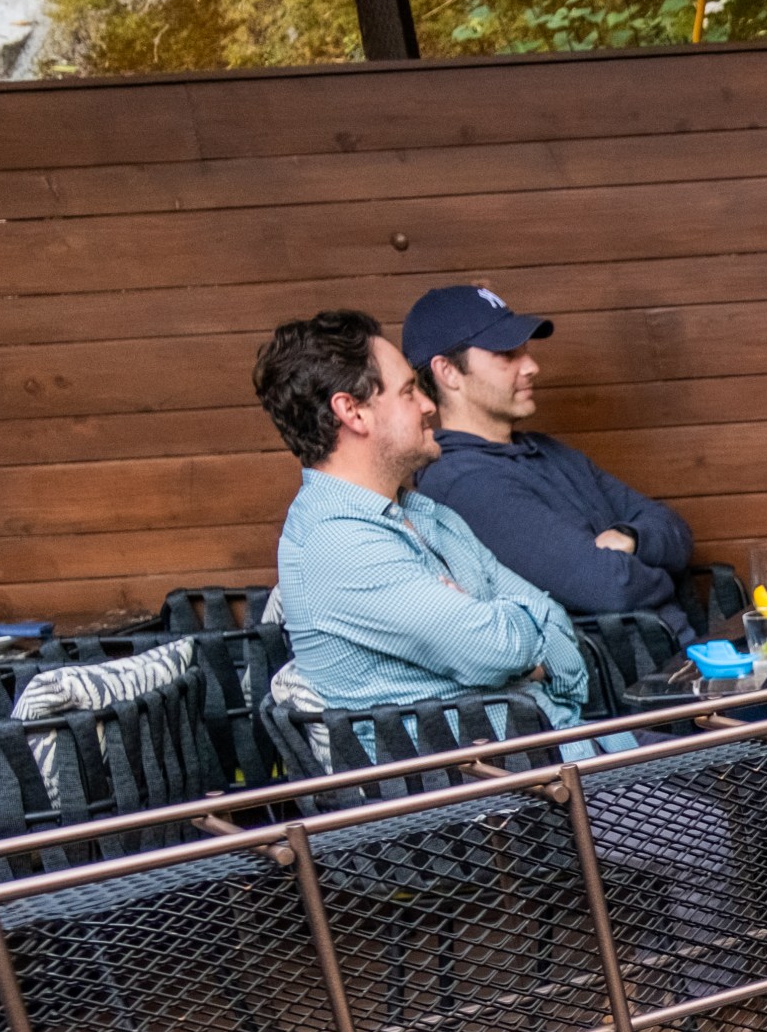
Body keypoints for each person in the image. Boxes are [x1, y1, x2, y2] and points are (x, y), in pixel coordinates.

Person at [255, 308, 590, 728]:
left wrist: (513, 640)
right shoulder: (338, 544)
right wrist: (523, 650)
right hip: (494, 786)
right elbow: (497, 649)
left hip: (562, 755)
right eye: (409, 391)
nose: (429, 405)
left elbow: (555, 621)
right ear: (352, 412)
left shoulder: (428, 514)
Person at [406, 284, 698, 630]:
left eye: (525, 351)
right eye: (506, 354)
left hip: (685, 658)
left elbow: (676, 531)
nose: (531, 366)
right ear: (448, 372)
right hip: (636, 679)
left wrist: (631, 539)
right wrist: (667, 578)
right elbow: (609, 587)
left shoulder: (546, 450)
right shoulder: (463, 481)